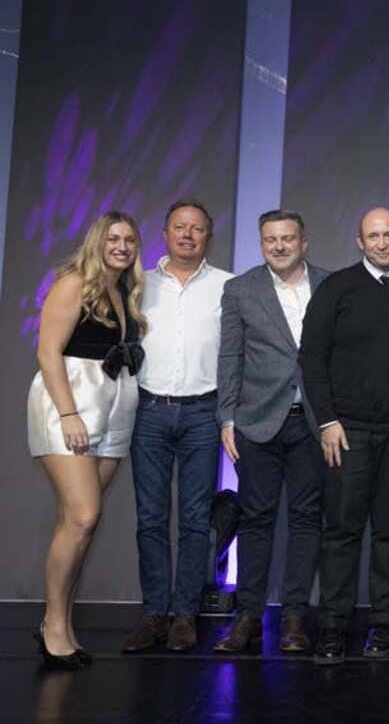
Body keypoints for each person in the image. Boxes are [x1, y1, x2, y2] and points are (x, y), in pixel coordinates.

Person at [298, 207, 389, 665]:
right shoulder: (336, 288)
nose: (382, 243)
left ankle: (383, 624)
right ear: (359, 241)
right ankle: (332, 628)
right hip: (347, 433)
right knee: (341, 531)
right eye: (373, 236)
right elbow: (311, 359)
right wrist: (326, 421)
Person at [28, 212, 147, 669]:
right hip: (72, 404)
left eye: (129, 239)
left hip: (115, 408)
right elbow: (48, 351)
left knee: (79, 525)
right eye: (113, 238)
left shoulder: (123, 291)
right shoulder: (73, 282)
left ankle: (61, 624)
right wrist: (68, 413)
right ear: (97, 241)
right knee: (83, 515)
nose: (121, 246)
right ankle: (52, 626)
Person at [214, 210, 330, 653]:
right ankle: (248, 617)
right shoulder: (240, 289)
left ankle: (295, 617)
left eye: (287, 238)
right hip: (256, 421)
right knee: (255, 519)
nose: (279, 246)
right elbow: (230, 356)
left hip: (314, 423)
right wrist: (227, 418)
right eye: (270, 240)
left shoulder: (330, 284)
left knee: (306, 520)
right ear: (261, 244)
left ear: (304, 242)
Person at [124, 200, 232, 654]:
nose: (188, 235)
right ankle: (155, 614)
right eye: (180, 227)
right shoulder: (138, 284)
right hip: (148, 411)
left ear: (209, 236)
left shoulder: (227, 286)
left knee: (195, 519)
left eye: (197, 228)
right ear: (165, 233)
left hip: (203, 413)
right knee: (150, 519)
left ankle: (185, 614)